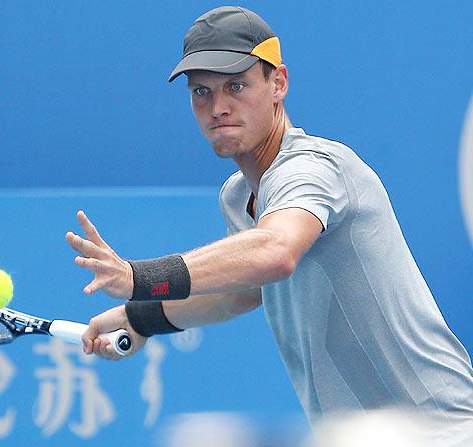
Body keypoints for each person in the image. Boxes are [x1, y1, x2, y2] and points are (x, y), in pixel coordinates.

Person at [64, 6, 473, 445]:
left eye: (236, 86)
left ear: (278, 83)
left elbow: (275, 251)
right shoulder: (238, 196)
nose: (217, 107)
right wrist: (141, 317)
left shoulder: (314, 167)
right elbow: (241, 292)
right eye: (201, 92)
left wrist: (139, 278)